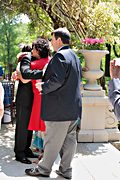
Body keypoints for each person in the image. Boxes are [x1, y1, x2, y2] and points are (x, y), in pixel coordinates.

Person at [23, 27, 82, 179]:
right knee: (69, 142)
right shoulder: (74, 56)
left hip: (59, 109)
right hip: (73, 109)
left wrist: (43, 87)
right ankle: (65, 170)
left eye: (52, 39)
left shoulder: (60, 56)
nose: (50, 42)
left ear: (59, 40)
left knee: (51, 141)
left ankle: (43, 169)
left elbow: (57, 80)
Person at [14, 45, 40, 164]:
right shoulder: (25, 60)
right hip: (23, 97)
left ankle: (26, 149)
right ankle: (19, 153)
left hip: (32, 97)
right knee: (22, 127)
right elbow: (24, 77)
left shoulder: (35, 61)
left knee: (29, 126)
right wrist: (41, 72)